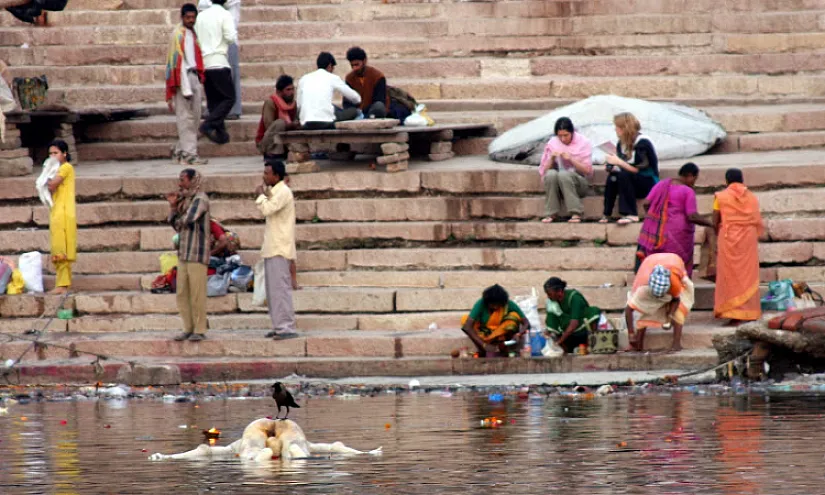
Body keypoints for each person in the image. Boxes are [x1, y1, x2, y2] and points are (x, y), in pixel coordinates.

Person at [149, 418, 382, 463]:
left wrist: (171, 456)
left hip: (259, 427)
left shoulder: (240, 444)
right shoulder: (294, 440)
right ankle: (268, 456)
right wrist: (365, 454)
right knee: (298, 451)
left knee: (251, 455)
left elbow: (206, 452)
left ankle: (262, 457)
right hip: (285, 427)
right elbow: (334, 448)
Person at [636, 162, 712, 275]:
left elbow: (646, 203)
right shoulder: (688, 191)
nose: (694, 183)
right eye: (694, 179)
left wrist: (656, 219)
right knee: (676, 265)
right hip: (679, 235)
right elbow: (692, 216)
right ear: (690, 175)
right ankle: (678, 288)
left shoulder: (662, 184)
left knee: (658, 263)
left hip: (658, 235)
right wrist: (711, 223)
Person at [713, 168, 764, 325]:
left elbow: (715, 221)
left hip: (728, 239)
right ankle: (749, 312)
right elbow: (756, 220)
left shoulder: (720, 197)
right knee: (747, 275)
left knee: (730, 276)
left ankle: (735, 315)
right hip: (748, 239)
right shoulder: (752, 198)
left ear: (726, 181)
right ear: (742, 180)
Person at [255, 158, 298, 340]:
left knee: (280, 290)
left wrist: (260, 195)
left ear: (276, 175)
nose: (264, 176)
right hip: (272, 247)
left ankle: (286, 327)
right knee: (273, 292)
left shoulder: (283, 191)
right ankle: (278, 325)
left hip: (280, 247)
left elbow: (267, 209)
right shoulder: (275, 191)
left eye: (267, 173)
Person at [167, 169, 211, 342]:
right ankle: (187, 328)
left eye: (183, 180)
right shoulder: (185, 201)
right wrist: (173, 207)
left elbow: (187, 220)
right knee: (182, 293)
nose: (180, 184)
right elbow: (176, 226)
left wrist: (177, 210)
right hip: (184, 253)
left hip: (197, 253)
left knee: (197, 293)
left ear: (193, 180)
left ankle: (199, 329)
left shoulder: (201, 199)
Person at [625, 252, 694, 352]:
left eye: (662, 296)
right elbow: (628, 310)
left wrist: (670, 315)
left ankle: (676, 344)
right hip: (650, 263)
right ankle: (637, 344)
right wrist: (630, 333)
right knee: (644, 310)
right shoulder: (641, 287)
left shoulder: (674, 285)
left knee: (679, 312)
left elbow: (676, 300)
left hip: (674, 262)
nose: (659, 298)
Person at [166, 3, 208, 166]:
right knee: (186, 119)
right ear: (182, 17)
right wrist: (181, 86)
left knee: (195, 118)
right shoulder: (177, 35)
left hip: (193, 76)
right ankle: (189, 155)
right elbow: (174, 63)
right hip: (182, 79)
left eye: (193, 17)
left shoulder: (193, 33)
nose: (191, 20)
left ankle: (179, 151)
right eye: (188, 17)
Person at [601, 112, 659, 225]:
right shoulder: (621, 144)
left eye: (617, 127)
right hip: (630, 182)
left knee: (624, 174)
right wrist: (613, 166)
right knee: (613, 176)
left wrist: (619, 162)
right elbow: (623, 165)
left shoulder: (643, 143)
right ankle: (607, 213)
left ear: (624, 128)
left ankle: (631, 213)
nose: (615, 129)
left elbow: (640, 169)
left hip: (647, 182)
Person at [194, 0, 237, 144]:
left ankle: (220, 132)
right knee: (229, 98)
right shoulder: (225, 14)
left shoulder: (200, 16)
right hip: (219, 62)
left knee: (213, 101)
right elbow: (231, 37)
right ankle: (208, 124)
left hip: (205, 64)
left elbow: (196, 39)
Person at [538, 117, 593, 224]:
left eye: (566, 135)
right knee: (550, 174)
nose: (563, 139)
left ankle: (576, 212)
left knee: (564, 174)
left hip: (578, 183)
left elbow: (587, 170)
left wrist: (571, 159)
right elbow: (544, 171)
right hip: (558, 185)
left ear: (572, 132)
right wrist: (552, 158)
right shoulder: (552, 143)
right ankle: (551, 213)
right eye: (560, 136)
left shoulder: (584, 142)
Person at [460, 284, 529, 357]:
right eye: (492, 304)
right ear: (487, 302)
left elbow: (526, 322)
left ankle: (505, 349)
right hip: (484, 334)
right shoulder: (481, 303)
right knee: (465, 319)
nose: (495, 307)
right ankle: (482, 350)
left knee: (514, 317)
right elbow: (467, 326)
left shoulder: (508, 304)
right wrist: (484, 345)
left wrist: (519, 334)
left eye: (497, 304)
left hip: (500, 335)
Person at [297, 52, 361, 130]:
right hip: (326, 122)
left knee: (333, 107)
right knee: (355, 112)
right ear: (330, 66)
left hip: (306, 123)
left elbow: (299, 105)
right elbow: (355, 97)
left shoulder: (304, 79)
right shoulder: (332, 78)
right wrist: (357, 103)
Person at [45, 139, 76, 295]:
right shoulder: (56, 168)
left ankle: (62, 285)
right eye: (50, 154)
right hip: (57, 211)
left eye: (56, 153)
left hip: (63, 213)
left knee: (61, 247)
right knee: (58, 246)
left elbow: (51, 185)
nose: (52, 156)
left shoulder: (66, 167)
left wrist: (46, 174)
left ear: (64, 154)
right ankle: (63, 283)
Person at [543, 277, 601, 354]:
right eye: (547, 294)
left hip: (582, 330)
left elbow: (574, 323)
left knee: (593, 311)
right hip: (567, 334)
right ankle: (565, 349)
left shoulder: (574, 297)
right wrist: (548, 332)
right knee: (552, 317)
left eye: (549, 294)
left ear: (559, 291)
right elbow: (552, 321)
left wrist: (559, 341)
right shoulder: (552, 302)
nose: (548, 296)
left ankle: (593, 344)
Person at [255, 75, 299, 158]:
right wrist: (288, 125)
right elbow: (269, 126)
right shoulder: (270, 102)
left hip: (285, 139)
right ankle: (273, 152)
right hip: (267, 141)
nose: (292, 92)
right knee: (280, 123)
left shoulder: (294, 104)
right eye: (288, 90)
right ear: (279, 92)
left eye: (293, 89)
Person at [344, 47, 388, 119]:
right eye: (352, 65)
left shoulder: (378, 76)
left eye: (357, 64)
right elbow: (347, 103)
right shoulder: (349, 78)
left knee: (378, 106)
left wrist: (363, 110)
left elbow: (380, 101)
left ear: (364, 61)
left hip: (372, 112)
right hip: (356, 113)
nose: (354, 68)